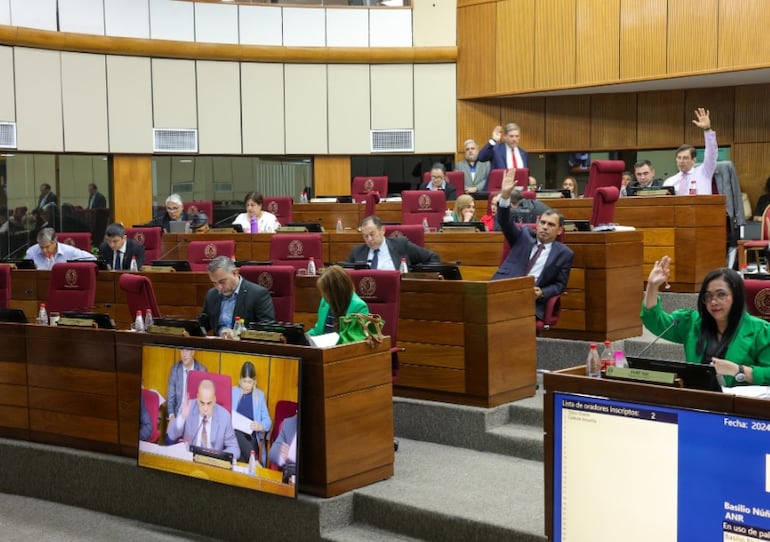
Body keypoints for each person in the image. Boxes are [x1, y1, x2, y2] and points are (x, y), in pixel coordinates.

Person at [642, 256, 770, 386]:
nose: (713, 302)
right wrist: (652, 286)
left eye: (721, 294)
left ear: (736, 296)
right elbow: (655, 322)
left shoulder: (761, 331)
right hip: (698, 399)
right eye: (708, 296)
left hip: (740, 403)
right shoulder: (692, 322)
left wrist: (738, 370)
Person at [492, 169, 574, 320]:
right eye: (542, 222)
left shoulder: (564, 254)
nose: (544, 227)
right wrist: (504, 196)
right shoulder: (522, 236)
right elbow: (504, 221)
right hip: (503, 291)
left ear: (559, 230)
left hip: (529, 300)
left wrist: (542, 292)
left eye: (550, 225)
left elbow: (559, 285)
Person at [198, 256, 275, 338]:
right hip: (218, 346)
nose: (219, 288)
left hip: (244, 347)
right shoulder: (212, 295)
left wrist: (239, 334)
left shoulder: (258, 294)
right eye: (214, 283)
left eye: (222, 282)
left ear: (235, 273)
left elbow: (267, 330)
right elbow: (202, 324)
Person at [166, 379, 240, 458]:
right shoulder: (188, 407)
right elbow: (171, 436)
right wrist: (182, 418)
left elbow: (235, 450)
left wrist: (218, 456)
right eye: (202, 403)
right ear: (197, 397)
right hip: (189, 460)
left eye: (209, 403)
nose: (205, 408)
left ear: (214, 399)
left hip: (212, 463)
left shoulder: (224, 417)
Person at [346, 215, 440, 270]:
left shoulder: (401, 245)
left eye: (372, 234)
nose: (369, 239)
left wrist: (415, 273)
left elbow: (433, 258)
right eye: (366, 236)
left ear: (382, 230)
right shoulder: (357, 252)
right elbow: (343, 274)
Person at [663, 108, 717, 195]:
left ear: (694, 160)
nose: (681, 161)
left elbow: (711, 153)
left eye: (685, 158)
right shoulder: (669, 182)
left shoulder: (704, 172)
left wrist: (707, 129)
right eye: (679, 158)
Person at [307, 265, 369, 338]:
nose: (323, 295)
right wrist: (303, 337)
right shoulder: (325, 301)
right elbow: (317, 331)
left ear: (337, 291)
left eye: (325, 292)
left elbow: (354, 340)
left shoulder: (359, 307)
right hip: (321, 347)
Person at [231, 361, 272, 464]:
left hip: (251, 438)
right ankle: (254, 463)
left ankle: (252, 462)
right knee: (236, 435)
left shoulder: (259, 395)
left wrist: (260, 426)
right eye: (244, 381)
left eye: (250, 382)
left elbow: (268, 421)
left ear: (254, 381)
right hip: (233, 436)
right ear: (240, 379)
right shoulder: (233, 391)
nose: (247, 385)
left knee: (238, 453)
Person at [166, 348, 207, 425]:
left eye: (187, 350)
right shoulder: (175, 370)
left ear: (193, 352)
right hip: (178, 415)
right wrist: (171, 416)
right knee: (169, 435)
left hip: (195, 417)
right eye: (181, 350)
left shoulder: (202, 370)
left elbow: (204, 400)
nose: (184, 354)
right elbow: (170, 399)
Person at [24, 227, 96, 269]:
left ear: (55, 241)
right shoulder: (32, 252)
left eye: (47, 247)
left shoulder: (69, 251)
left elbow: (92, 259)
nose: (44, 250)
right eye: (41, 247)